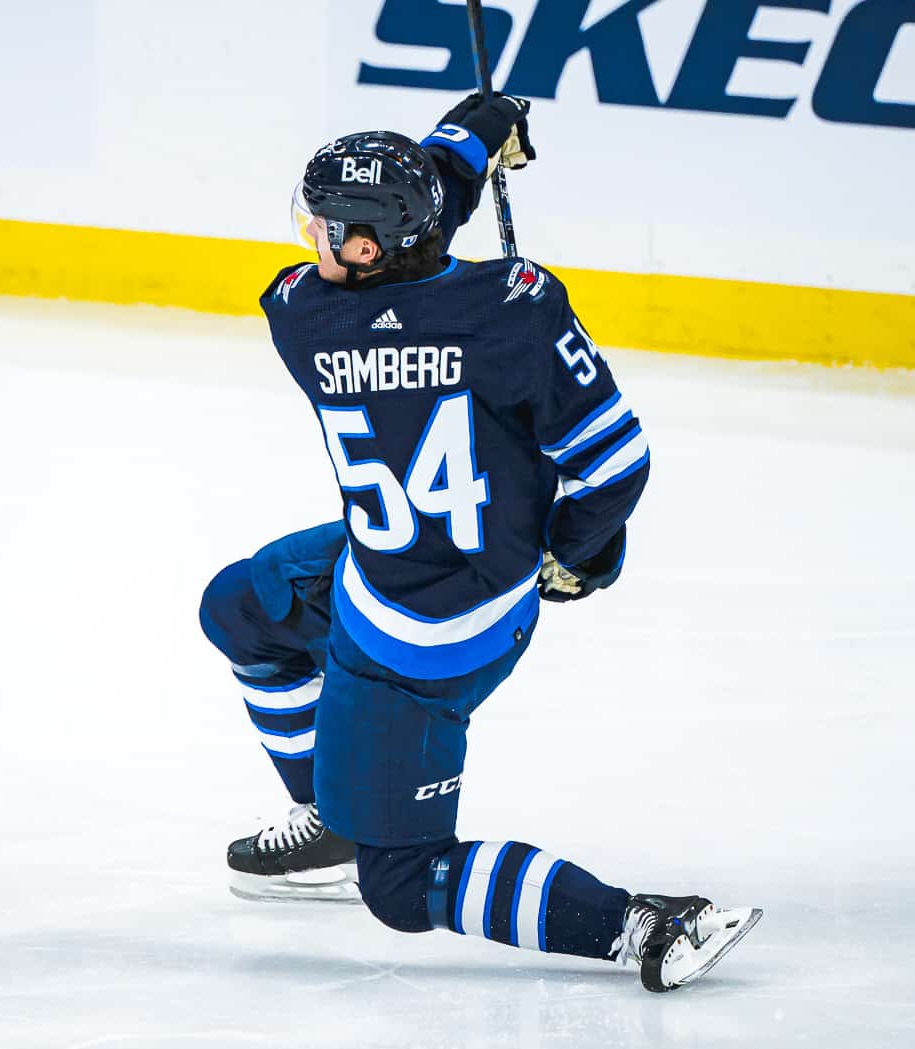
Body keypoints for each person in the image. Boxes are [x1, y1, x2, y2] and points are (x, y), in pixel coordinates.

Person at [197, 94, 760, 992]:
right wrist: (576, 553)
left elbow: (412, 240)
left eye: (326, 227)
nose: (313, 241)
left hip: (416, 642)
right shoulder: (515, 311)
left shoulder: (302, 315)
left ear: (365, 250)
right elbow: (614, 464)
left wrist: (471, 135)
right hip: (444, 572)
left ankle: (641, 925)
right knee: (240, 607)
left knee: (399, 885)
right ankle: (338, 811)